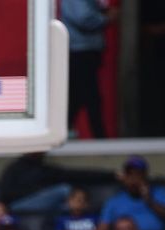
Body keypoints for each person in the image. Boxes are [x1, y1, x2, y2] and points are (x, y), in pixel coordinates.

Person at [60, 0, 118, 139]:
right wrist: (107, 18)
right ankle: (100, 137)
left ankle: (65, 130)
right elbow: (84, 18)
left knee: (78, 95)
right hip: (80, 50)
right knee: (90, 97)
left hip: (85, 50)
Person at [96, 156, 165, 230]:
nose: (134, 180)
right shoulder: (114, 201)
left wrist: (149, 200)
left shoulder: (159, 192)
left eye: (138, 175)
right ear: (125, 178)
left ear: (145, 177)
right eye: (130, 175)